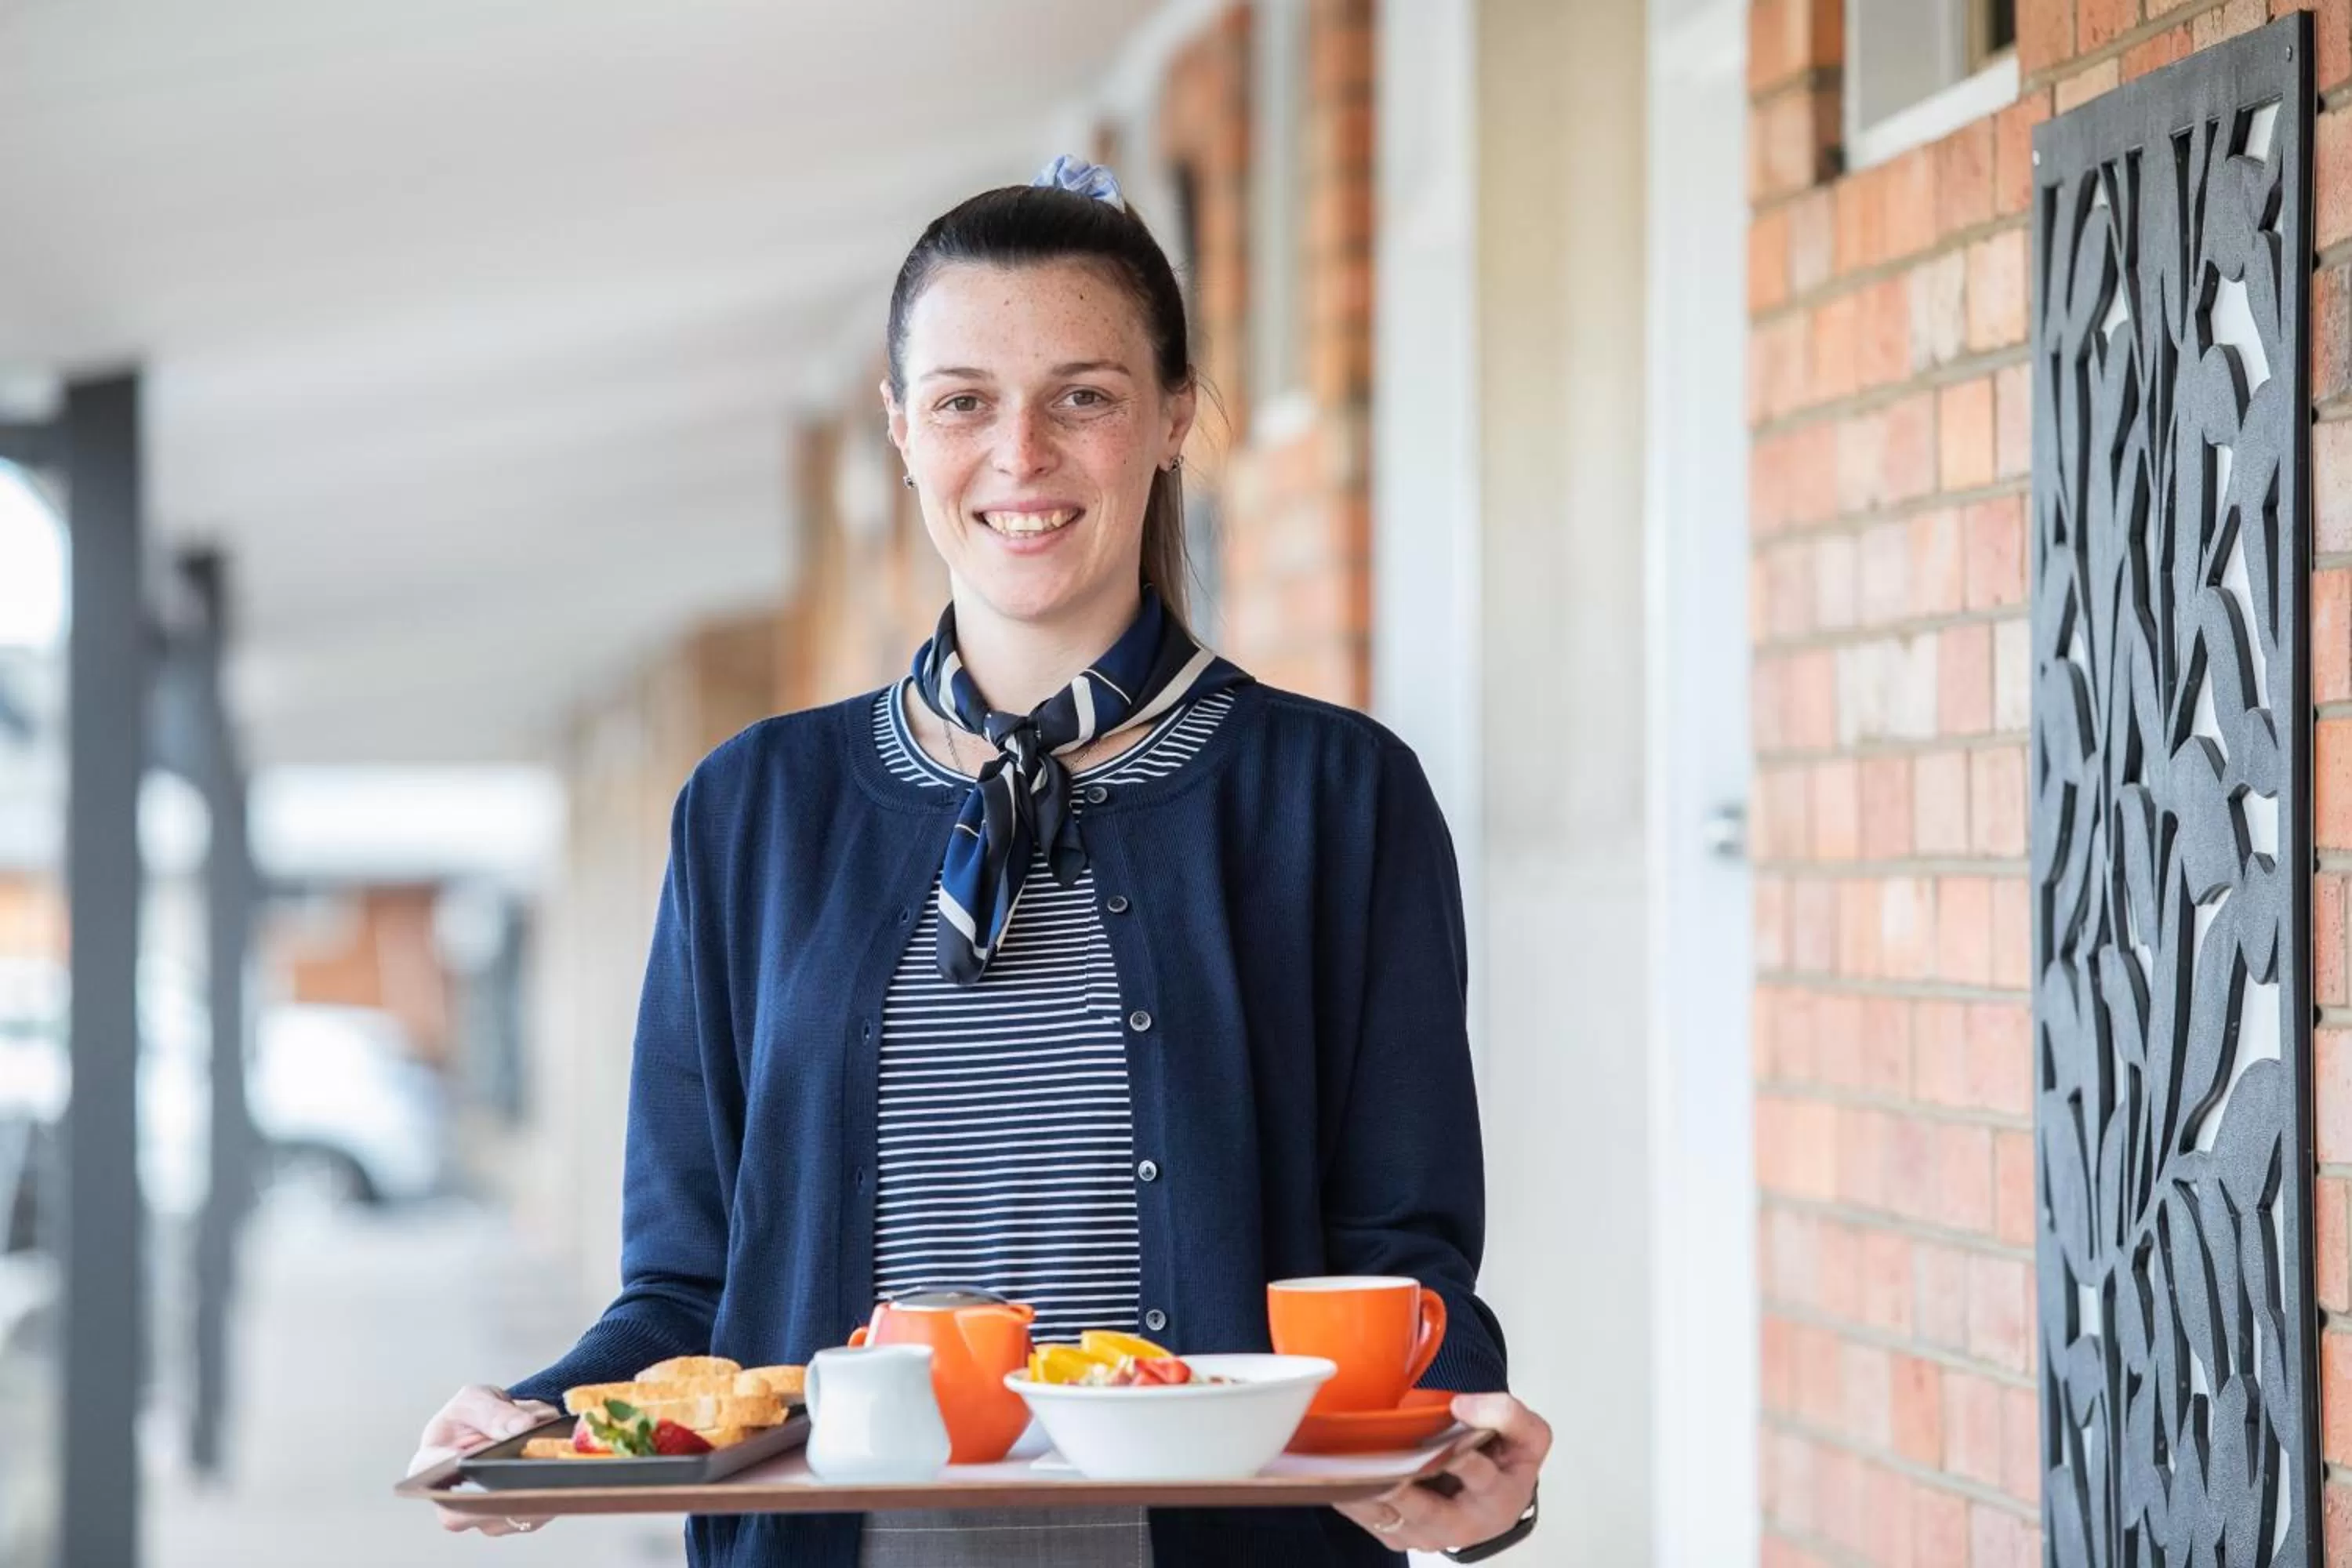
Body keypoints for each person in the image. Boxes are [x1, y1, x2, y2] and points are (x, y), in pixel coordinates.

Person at [410, 154, 1550, 1566]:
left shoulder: (1334, 796)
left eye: (1085, 395)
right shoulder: (752, 811)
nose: (1021, 456)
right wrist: (527, 1430)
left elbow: (1405, 1266)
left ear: (1174, 415)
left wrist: (1473, 1470)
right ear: (900, 428)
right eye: (964, 402)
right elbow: (694, 1290)